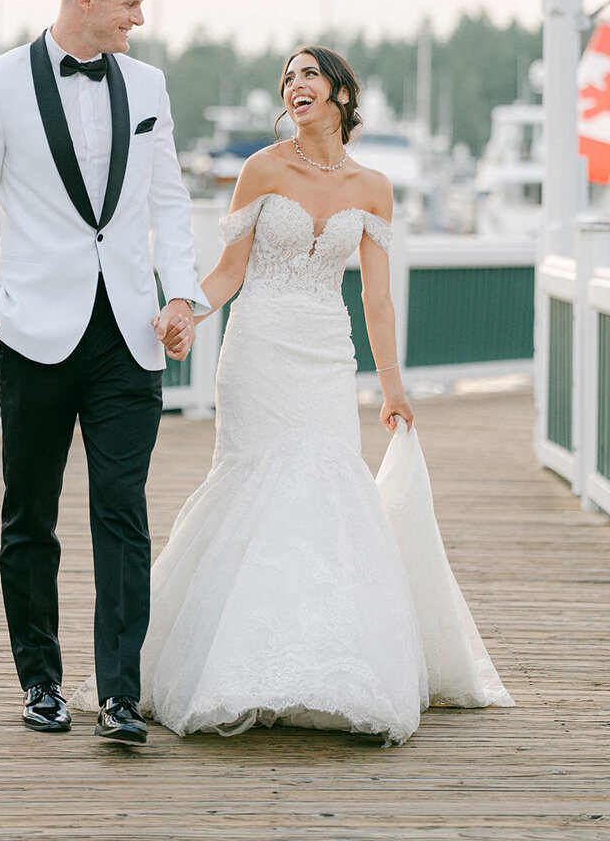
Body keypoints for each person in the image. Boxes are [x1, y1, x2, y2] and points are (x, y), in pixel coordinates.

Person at [72, 44, 513, 743]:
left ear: (340, 93)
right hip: (257, 350)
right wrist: (186, 308)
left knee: (330, 489)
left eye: (309, 74)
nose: (294, 85)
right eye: (287, 77)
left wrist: (392, 385)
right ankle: (228, 666)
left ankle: (326, 666)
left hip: (325, 354)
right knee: (252, 487)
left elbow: (376, 297)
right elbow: (227, 271)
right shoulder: (263, 167)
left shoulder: (373, 187)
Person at [0, 0, 210, 746]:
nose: (141, 16)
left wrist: (182, 296)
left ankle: (120, 695)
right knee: (30, 515)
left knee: (122, 512)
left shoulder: (150, 84)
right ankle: (41, 683)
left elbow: (170, 203)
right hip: (32, 332)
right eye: (130, 2)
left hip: (128, 335)